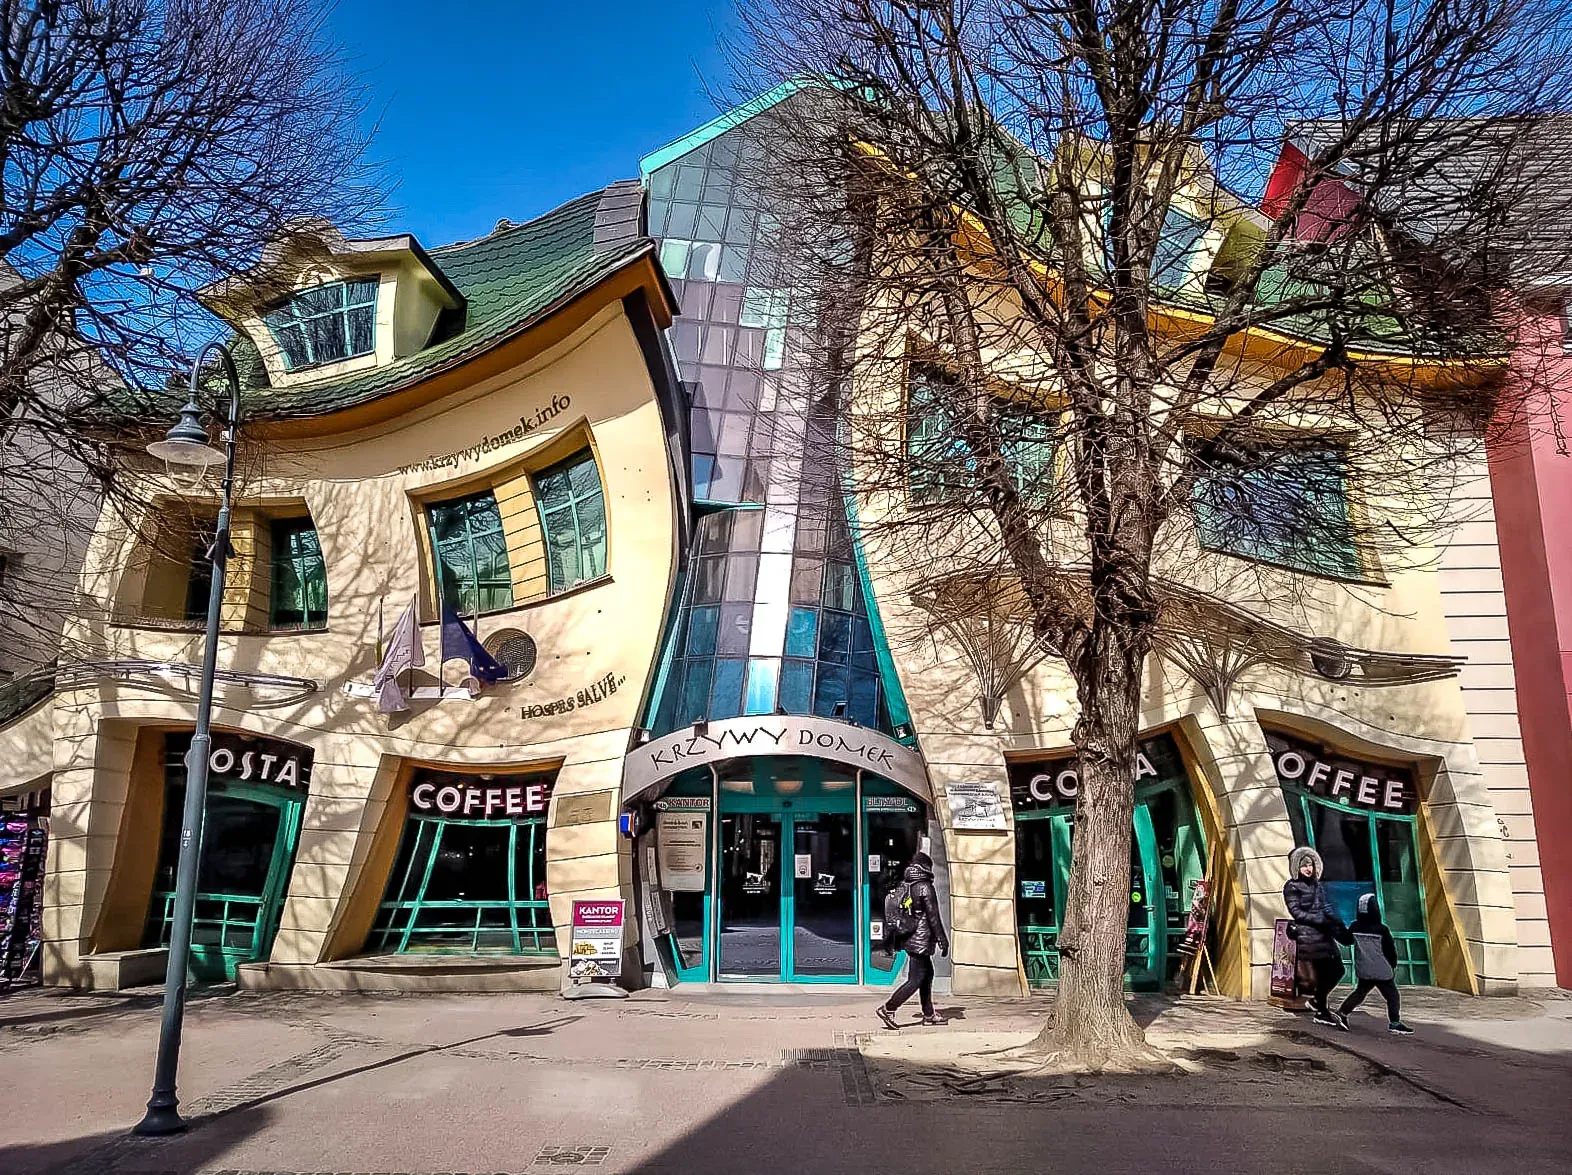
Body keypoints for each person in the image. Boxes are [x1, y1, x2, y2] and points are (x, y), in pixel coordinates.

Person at [877, 851, 949, 1029]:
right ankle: (889, 1008)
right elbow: (933, 917)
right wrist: (942, 939)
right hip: (920, 941)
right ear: (926, 868)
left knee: (927, 974)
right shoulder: (924, 886)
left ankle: (928, 1013)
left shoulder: (907, 884)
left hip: (910, 938)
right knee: (916, 979)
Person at [1283, 846, 1352, 1029]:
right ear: (1297, 866)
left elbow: (1325, 906)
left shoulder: (1317, 885)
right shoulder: (1292, 886)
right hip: (1308, 937)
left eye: (1311, 865)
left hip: (1324, 934)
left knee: (1337, 969)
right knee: (1323, 973)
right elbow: (1296, 912)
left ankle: (1317, 1003)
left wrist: (1336, 920)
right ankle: (1322, 1010)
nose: (1308, 869)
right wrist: (1319, 919)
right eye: (1304, 865)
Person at [1339, 893, 1415, 1034]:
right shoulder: (1382, 929)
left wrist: (1336, 928)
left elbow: (1346, 940)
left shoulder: (1355, 926)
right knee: (1392, 995)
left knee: (1360, 992)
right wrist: (1392, 965)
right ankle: (1394, 1023)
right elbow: (1390, 951)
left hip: (1364, 968)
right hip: (1381, 970)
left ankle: (1342, 1013)